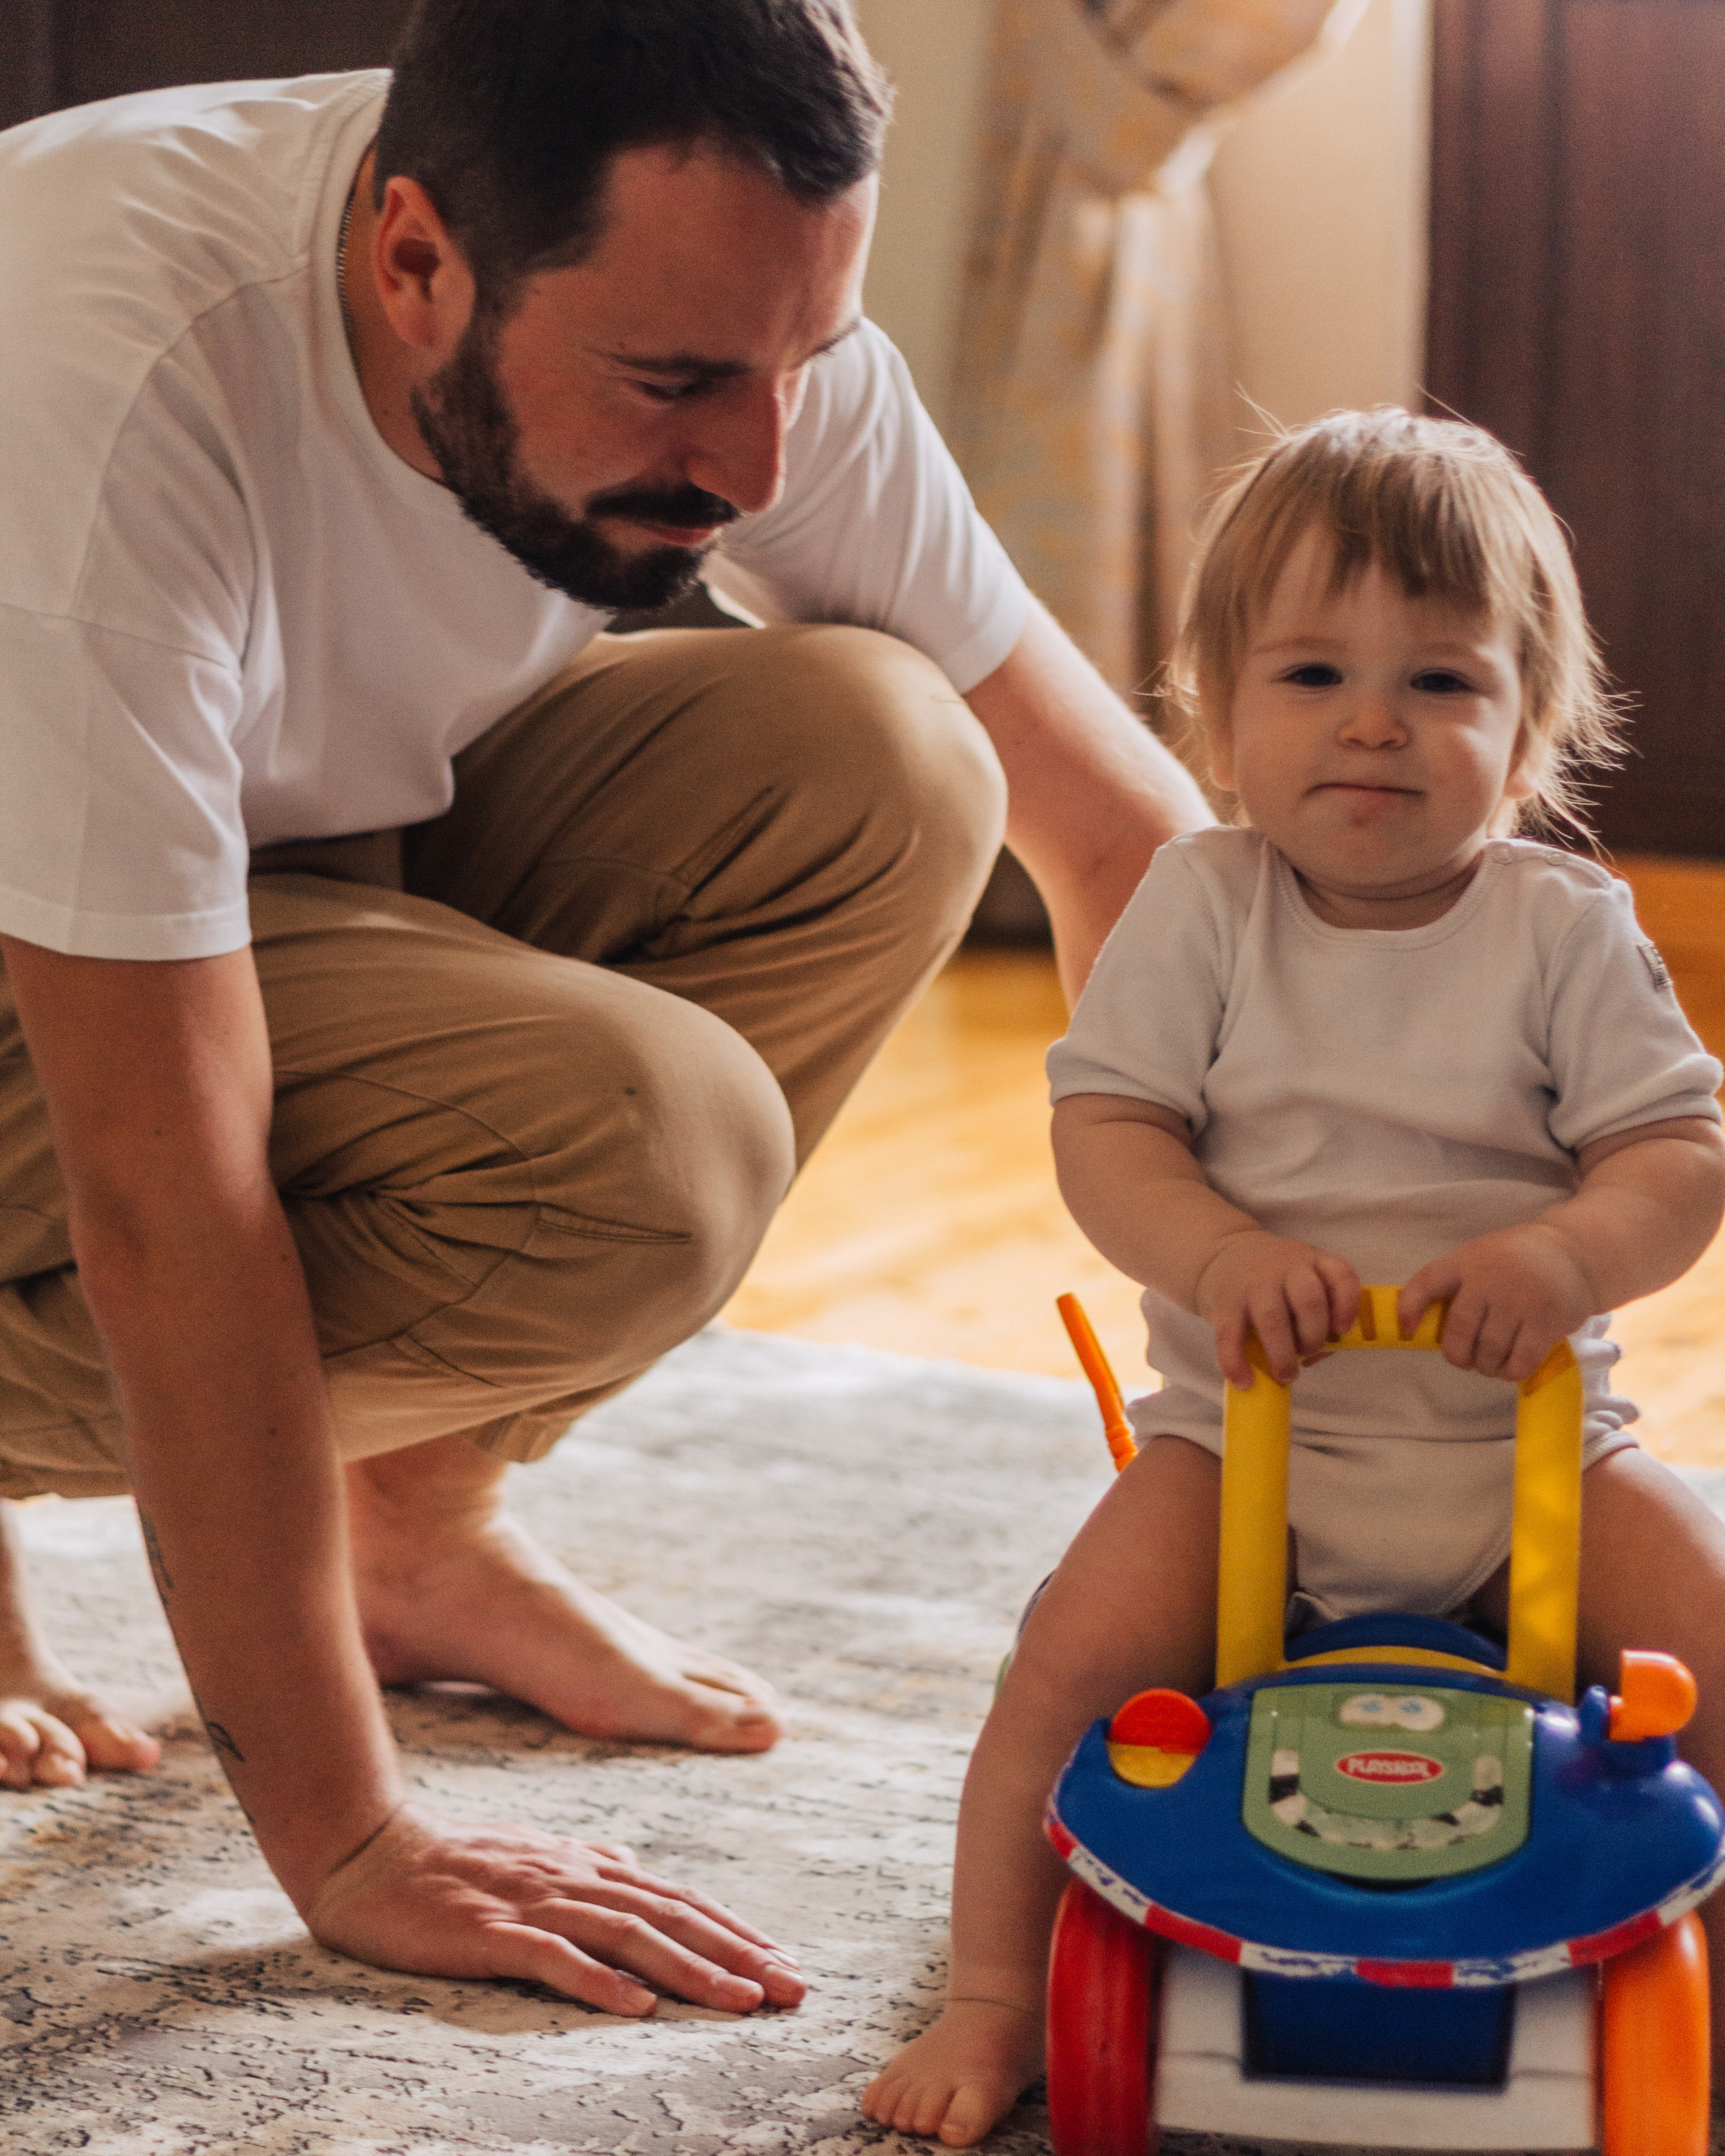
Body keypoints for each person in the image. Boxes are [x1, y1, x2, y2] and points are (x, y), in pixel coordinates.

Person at [0, 0, 1214, 2014]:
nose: (758, 461)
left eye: (803, 364)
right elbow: (162, 1193)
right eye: (677, 384)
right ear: (416, 258)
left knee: (892, 756)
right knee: (640, 1153)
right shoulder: (104, 392)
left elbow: (1113, 836)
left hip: (268, 867)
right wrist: (353, 1842)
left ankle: (417, 1534)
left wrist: (1314, 1315)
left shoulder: (717, 303)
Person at [863, 407, 1725, 2146]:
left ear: (1529, 727)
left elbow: (1680, 1152)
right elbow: (1108, 1128)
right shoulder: (1201, 904)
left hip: (1537, 1452)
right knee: (1064, 1661)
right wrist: (1219, 1253)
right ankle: (995, 1994)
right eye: (1316, 673)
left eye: (1441, 683)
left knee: (1711, 1631)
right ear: (1219, 708)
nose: (1373, 723)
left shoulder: (1563, 927)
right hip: (1247, 1450)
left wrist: (1563, 1251)